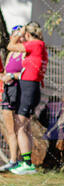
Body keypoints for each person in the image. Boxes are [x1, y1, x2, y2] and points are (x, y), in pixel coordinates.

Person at [6, 22, 48, 175]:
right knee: (24, 126)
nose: (22, 39)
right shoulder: (39, 45)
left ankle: (27, 164)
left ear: (28, 35)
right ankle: (27, 162)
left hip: (29, 88)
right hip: (30, 87)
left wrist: (17, 34)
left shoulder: (35, 44)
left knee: (21, 125)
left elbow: (10, 46)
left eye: (24, 36)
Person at [0, 25, 25, 172]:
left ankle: (24, 160)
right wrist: (4, 77)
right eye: (15, 34)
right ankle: (13, 160)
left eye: (20, 34)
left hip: (20, 90)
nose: (18, 37)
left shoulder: (25, 53)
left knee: (21, 127)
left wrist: (13, 76)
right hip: (7, 91)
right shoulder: (10, 54)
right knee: (10, 129)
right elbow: (3, 72)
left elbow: (28, 72)